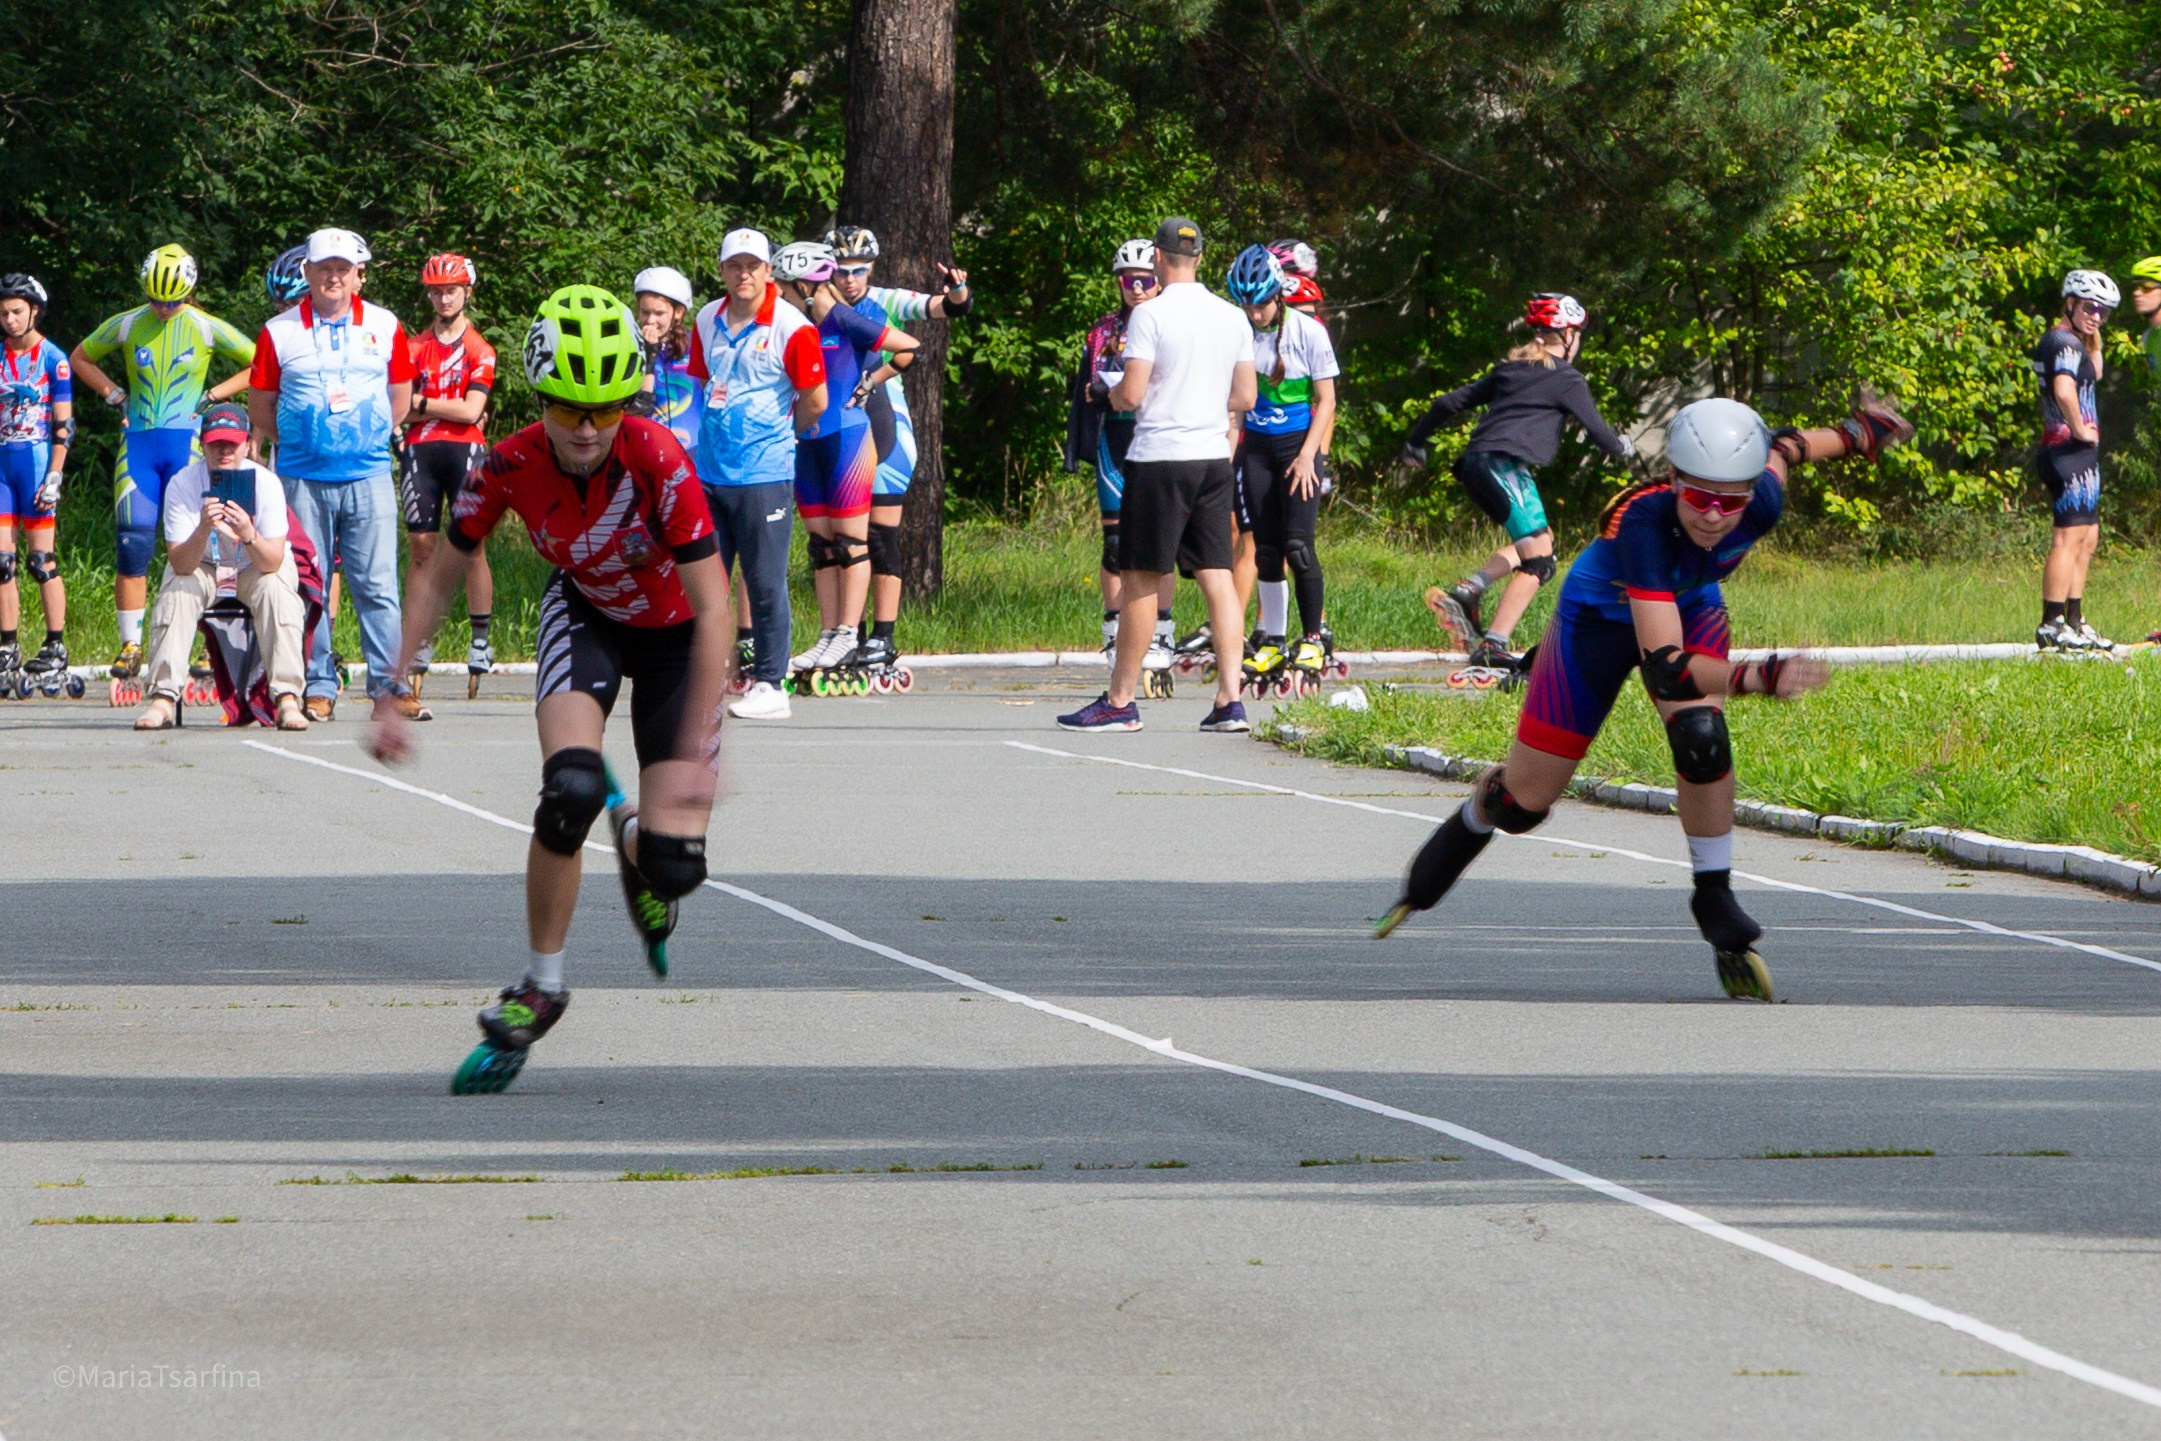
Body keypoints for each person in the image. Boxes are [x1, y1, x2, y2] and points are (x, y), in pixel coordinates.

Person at [1376, 395, 1914, 1002]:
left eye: (1730, 500)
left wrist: (1857, 431)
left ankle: (1714, 893)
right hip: (1597, 621)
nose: (1714, 515)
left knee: (1702, 739)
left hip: (1689, 605)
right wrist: (1756, 677)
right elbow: (1667, 671)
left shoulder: (1760, 493)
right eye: (1699, 496)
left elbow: (1786, 445)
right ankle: (1479, 810)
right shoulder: (1643, 525)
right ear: (1674, 480)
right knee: (1524, 807)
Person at [368, 285, 730, 1095]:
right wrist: (394, 687)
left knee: (676, 868)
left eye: (606, 408)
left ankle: (638, 841)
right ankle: (541, 983)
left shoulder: (658, 457)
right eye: (570, 408)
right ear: (542, 401)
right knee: (567, 792)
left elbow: (715, 611)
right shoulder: (508, 461)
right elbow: (438, 574)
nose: (589, 427)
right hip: (589, 611)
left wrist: (703, 746)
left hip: (678, 636)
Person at [1057, 216, 1256, 733]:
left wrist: (1108, 392)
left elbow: (1133, 393)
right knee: (1217, 576)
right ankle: (1229, 699)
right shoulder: (1232, 316)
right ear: (1199, 258)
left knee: (1141, 576)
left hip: (1160, 456)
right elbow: (1246, 398)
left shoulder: (1150, 316)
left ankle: (1120, 700)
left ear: (1160, 260)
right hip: (1213, 455)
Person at [1401, 293, 1633, 670]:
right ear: (1568, 335)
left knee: (1541, 542)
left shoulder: (1509, 369)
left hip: (1477, 465)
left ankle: (1470, 589)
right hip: (1504, 466)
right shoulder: (1567, 379)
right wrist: (1624, 446)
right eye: (1579, 335)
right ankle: (1492, 646)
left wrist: (1415, 442)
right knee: (1540, 563)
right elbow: (1601, 434)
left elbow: (1447, 403)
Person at [248, 227, 418, 722]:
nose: (333, 278)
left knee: (377, 583)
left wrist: (369, 437)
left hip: (368, 474)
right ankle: (318, 683)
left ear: (358, 275)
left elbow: (400, 397)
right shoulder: (278, 332)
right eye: (324, 269)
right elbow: (261, 405)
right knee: (309, 583)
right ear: (308, 273)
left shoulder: (386, 326)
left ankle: (389, 686)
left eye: (343, 269)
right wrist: (296, 439)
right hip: (301, 476)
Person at [70, 244, 255, 678]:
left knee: (209, 540)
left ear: (188, 293)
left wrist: (214, 396)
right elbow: (81, 357)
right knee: (132, 541)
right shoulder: (130, 322)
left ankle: (209, 644)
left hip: (190, 447)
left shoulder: (205, 326)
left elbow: (260, 360)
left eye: (172, 300)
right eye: (156, 299)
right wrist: (114, 394)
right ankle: (131, 645)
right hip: (138, 445)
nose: (164, 307)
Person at [687, 228, 828, 720]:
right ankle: (703, 678)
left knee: (765, 580)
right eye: (734, 265)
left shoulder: (793, 325)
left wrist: (782, 436)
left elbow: (816, 399)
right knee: (706, 581)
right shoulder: (707, 318)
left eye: (753, 265)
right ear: (723, 270)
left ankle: (771, 683)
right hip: (711, 471)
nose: (743, 274)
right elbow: (704, 382)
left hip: (765, 471)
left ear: (769, 271)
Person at [824, 226, 974, 670]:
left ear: (872, 268)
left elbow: (940, 308)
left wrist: (959, 291)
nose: (850, 279)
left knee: (880, 537)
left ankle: (883, 638)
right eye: (841, 270)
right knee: (842, 541)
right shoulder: (818, 306)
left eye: (859, 270)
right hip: (841, 436)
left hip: (887, 431)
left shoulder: (884, 300)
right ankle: (847, 634)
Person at [770, 240, 920, 680]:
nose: (777, 293)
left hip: (850, 438)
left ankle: (847, 634)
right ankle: (827, 635)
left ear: (803, 284)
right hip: (808, 442)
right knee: (821, 547)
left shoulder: (842, 317)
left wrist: (872, 379)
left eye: (783, 285)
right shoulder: (789, 325)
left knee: (851, 543)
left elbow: (909, 346)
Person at [133, 404, 309, 732]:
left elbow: (272, 562)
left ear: (246, 444)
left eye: (232, 443)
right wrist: (203, 527)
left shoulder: (266, 483)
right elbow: (181, 564)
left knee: (277, 591)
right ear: (202, 445)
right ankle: (164, 697)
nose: (224, 450)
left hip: (254, 564)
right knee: (179, 590)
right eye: (216, 443)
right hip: (204, 564)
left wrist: (248, 534)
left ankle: (286, 697)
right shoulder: (183, 484)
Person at [1224, 243, 1339, 691]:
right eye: (1246, 305)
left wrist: (1311, 456)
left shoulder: (1309, 331)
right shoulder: (1238, 333)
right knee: (1266, 550)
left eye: (1261, 304)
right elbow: (1234, 404)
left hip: (1298, 447)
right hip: (1256, 450)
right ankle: (1273, 638)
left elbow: (1326, 400)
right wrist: (1226, 457)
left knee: (1298, 546)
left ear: (1278, 294)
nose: (1254, 314)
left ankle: (1311, 638)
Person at [1063, 239, 1176, 673]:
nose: (1137, 287)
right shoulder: (1104, 328)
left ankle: (1161, 631)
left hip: (1159, 436)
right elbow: (1091, 383)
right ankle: (1113, 629)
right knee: (1115, 544)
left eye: (1146, 279)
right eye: (1129, 280)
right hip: (1115, 436)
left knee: (1160, 541)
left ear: (1159, 279)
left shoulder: (1172, 322)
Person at [397, 253, 498, 691]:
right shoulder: (413, 347)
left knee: (471, 545)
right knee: (422, 546)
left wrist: (421, 406)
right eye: (436, 291)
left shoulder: (480, 349)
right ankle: (418, 639)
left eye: (450, 290)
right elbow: (400, 406)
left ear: (466, 293)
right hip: (420, 452)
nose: (443, 298)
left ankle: (480, 638)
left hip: (466, 453)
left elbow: (473, 409)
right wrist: (439, 409)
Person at [2032, 270, 2117, 652]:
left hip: (2079, 456)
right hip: (2066, 452)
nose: (2096, 315)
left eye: (2103, 311)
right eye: (2090, 307)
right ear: (2069, 302)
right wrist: (2081, 428)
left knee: (2087, 539)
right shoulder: (2062, 341)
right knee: (2067, 539)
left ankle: (2075, 621)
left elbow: (2094, 373)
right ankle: (2052, 623)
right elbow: (2065, 389)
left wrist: (2093, 336)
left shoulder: (2074, 342)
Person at [0, 273, 73, 688]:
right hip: (2, 468)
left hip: (37, 461)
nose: (9, 320)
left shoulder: (54, 358)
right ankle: (7, 645)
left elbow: (64, 425)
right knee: (2, 562)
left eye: (16, 312)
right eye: (3, 313)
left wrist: (56, 475)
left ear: (34, 312)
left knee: (40, 562)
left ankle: (55, 645)